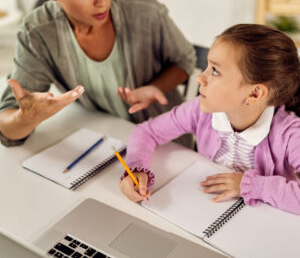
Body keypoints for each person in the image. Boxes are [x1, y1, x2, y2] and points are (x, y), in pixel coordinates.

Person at [0, 0, 195, 147]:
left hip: (167, 144)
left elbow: (184, 60)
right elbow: (7, 126)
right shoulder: (37, 33)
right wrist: (26, 118)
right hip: (104, 143)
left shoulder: (147, 12)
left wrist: (156, 87)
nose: (102, 1)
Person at [120, 24, 300, 215]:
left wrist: (251, 185)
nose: (200, 78)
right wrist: (136, 170)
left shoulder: (289, 134)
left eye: (214, 71)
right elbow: (147, 131)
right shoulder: (200, 111)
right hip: (206, 211)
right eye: (207, 66)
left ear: (255, 93)